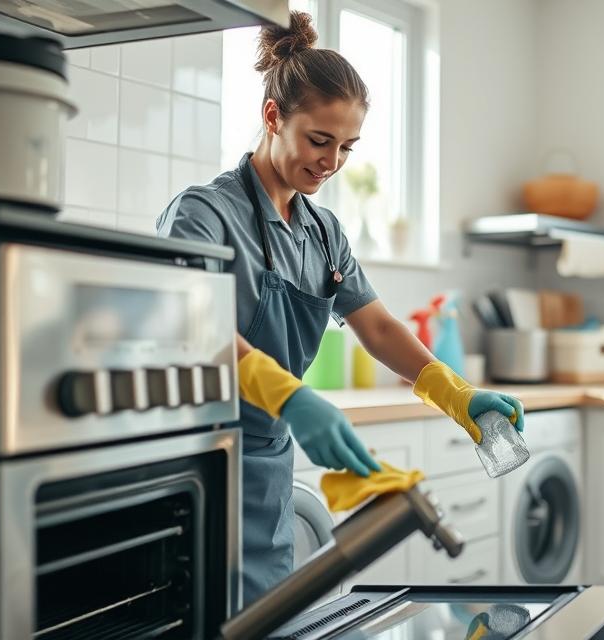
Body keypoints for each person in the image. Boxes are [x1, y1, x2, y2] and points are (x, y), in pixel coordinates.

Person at [157, 11, 525, 607]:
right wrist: (292, 394)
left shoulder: (324, 232)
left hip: (268, 461)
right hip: (198, 462)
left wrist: (454, 392)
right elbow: (192, 327)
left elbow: (376, 324)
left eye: (347, 148)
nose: (331, 163)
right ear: (273, 116)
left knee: (263, 616)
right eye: (319, 141)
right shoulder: (203, 215)